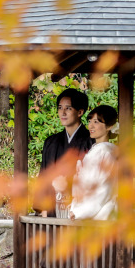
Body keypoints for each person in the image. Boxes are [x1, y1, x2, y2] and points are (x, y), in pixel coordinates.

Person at [40, 89, 93, 217]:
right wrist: (43, 211)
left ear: (80, 112)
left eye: (68, 108)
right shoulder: (51, 142)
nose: (63, 112)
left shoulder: (90, 141)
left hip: (78, 210)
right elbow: (43, 177)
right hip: (52, 209)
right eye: (60, 108)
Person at [69, 104, 118, 220]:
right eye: (90, 121)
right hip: (89, 211)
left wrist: (79, 212)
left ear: (109, 126)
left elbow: (103, 189)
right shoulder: (98, 150)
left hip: (99, 214)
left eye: (96, 122)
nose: (90, 125)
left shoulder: (105, 151)